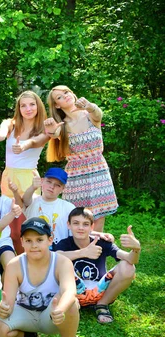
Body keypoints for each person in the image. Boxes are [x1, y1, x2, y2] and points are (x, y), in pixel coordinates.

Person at [0, 217, 80, 337]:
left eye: (39, 240)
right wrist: (3, 309)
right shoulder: (14, 265)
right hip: (24, 314)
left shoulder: (62, 262)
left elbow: (69, 290)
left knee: (72, 304)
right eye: (28, 240)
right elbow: (8, 301)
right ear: (21, 241)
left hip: (52, 315)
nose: (34, 245)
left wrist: (61, 309)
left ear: (50, 240)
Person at [0, 91, 51, 253]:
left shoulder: (45, 128)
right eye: (23, 105)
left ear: (38, 106)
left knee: (28, 226)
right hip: (9, 178)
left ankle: (32, 261)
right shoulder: (11, 123)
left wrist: (24, 145)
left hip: (29, 179)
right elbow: (1, 132)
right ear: (18, 108)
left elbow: (36, 141)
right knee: (12, 229)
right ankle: (14, 265)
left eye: (32, 104)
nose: (28, 108)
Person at [45, 85, 118, 232]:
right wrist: (52, 130)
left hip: (98, 170)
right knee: (76, 218)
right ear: (57, 105)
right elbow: (54, 133)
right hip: (75, 175)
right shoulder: (62, 125)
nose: (65, 96)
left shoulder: (89, 114)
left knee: (98, 218)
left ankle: (96, 252)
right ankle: (78, 252)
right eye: (59, 97)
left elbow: (98, 114)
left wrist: (90, 106)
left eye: (66, 92)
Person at [54, 207, 140, 324]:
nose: (80, 228)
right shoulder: (64, 243)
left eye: (85, 224)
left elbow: (130, 259)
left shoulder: (101, 242)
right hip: (74, 292)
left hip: (100, 290)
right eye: (76, 223)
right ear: (68, 225)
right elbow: (56, 258)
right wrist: (83, 252)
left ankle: (102, 304)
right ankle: (73, 303)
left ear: (92, 227)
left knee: (128, 267)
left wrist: (136, 249)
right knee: (58, 264)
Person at [22, 167, 75, 246]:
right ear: (42, 181)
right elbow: (24, 201)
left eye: (57, 185)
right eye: (49, 182)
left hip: (59, 251)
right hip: (33, 249)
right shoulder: (33, 200)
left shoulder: (69, 208)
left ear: (63, 189)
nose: (52, 187)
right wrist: (33, 187)